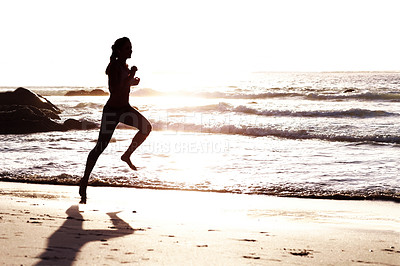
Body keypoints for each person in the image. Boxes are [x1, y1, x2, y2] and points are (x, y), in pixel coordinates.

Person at [79, 37, 152, 204]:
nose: (130, 50)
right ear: (119, 50)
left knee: (146, 128)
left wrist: (132, 81)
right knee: (100, 147)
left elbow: (123, 86)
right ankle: (84, 180)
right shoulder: (114, 67)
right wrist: (131, 76)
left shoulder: (124, 67)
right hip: (112, 111)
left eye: (131, 47)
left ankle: (126, 155)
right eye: (127, 48)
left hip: (125, 109)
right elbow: (114, 89)